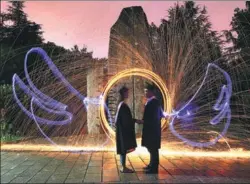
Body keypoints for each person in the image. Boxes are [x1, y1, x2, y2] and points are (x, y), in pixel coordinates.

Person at [137, 82, 163, 173]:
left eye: (146, 91)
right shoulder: (151, 102)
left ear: (151, 92)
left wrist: (143, 121)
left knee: (153, 149)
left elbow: (155, 118)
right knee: (151, 148)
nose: (145, 93)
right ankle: (151, 165)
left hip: (153, 131)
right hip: (151, 130)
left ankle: (154, 168)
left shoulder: (154, 103)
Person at [115, 86, 137, 173]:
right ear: (124, 93)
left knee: (122, 148)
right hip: (123, 131)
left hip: (121, 130)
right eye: (127, 92)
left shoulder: (120, 104)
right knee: (123, 148)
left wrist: (135, 120)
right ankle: (123, 168)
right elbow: (126, 119)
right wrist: (135, 121)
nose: (128, 94)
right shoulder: (123, 105)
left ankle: (123, 166)